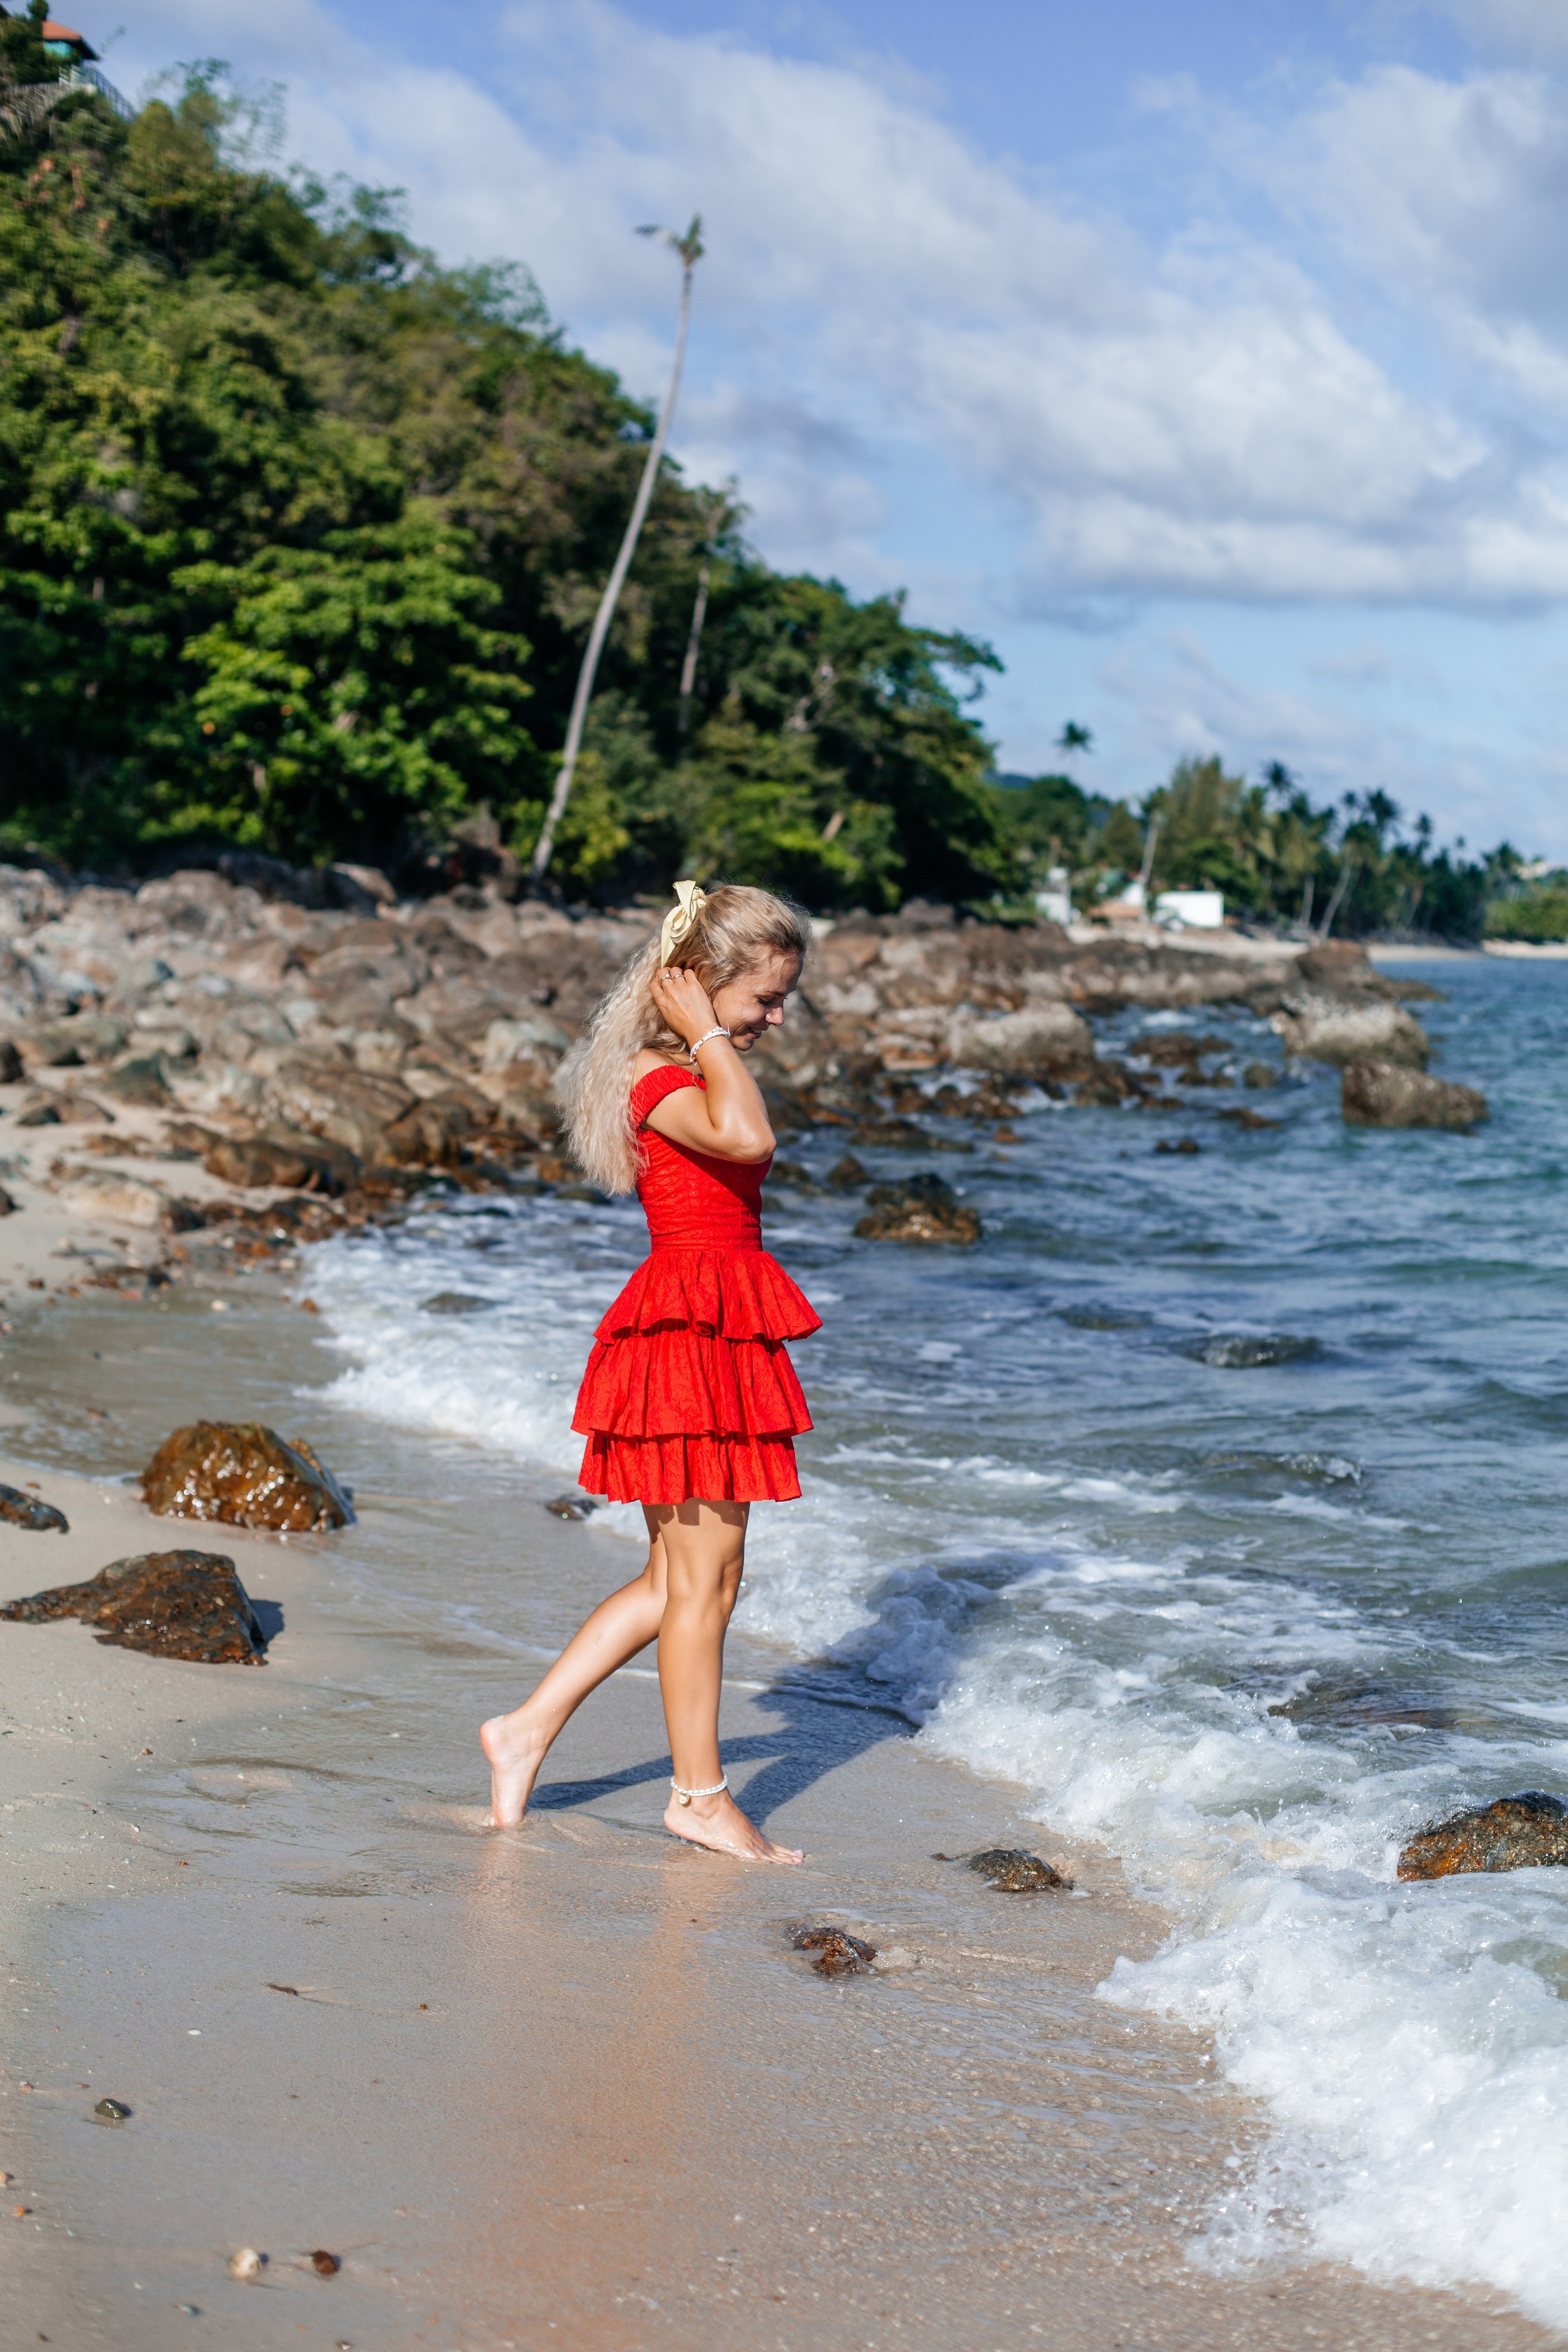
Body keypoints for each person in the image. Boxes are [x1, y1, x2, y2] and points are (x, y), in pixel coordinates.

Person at [481, 881, 818, 1864]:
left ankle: (526, 1730)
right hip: (689, 1331)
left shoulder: (683, 1069)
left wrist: (709, 1035)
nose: (776, 1018)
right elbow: (751, 1139)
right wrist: (704, 1036)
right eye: (762, 998)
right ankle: (699, 1797)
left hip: (706, 1323)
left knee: (682, 1580)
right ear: (697, 986)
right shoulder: (657, 1076)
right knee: (702, 1588)